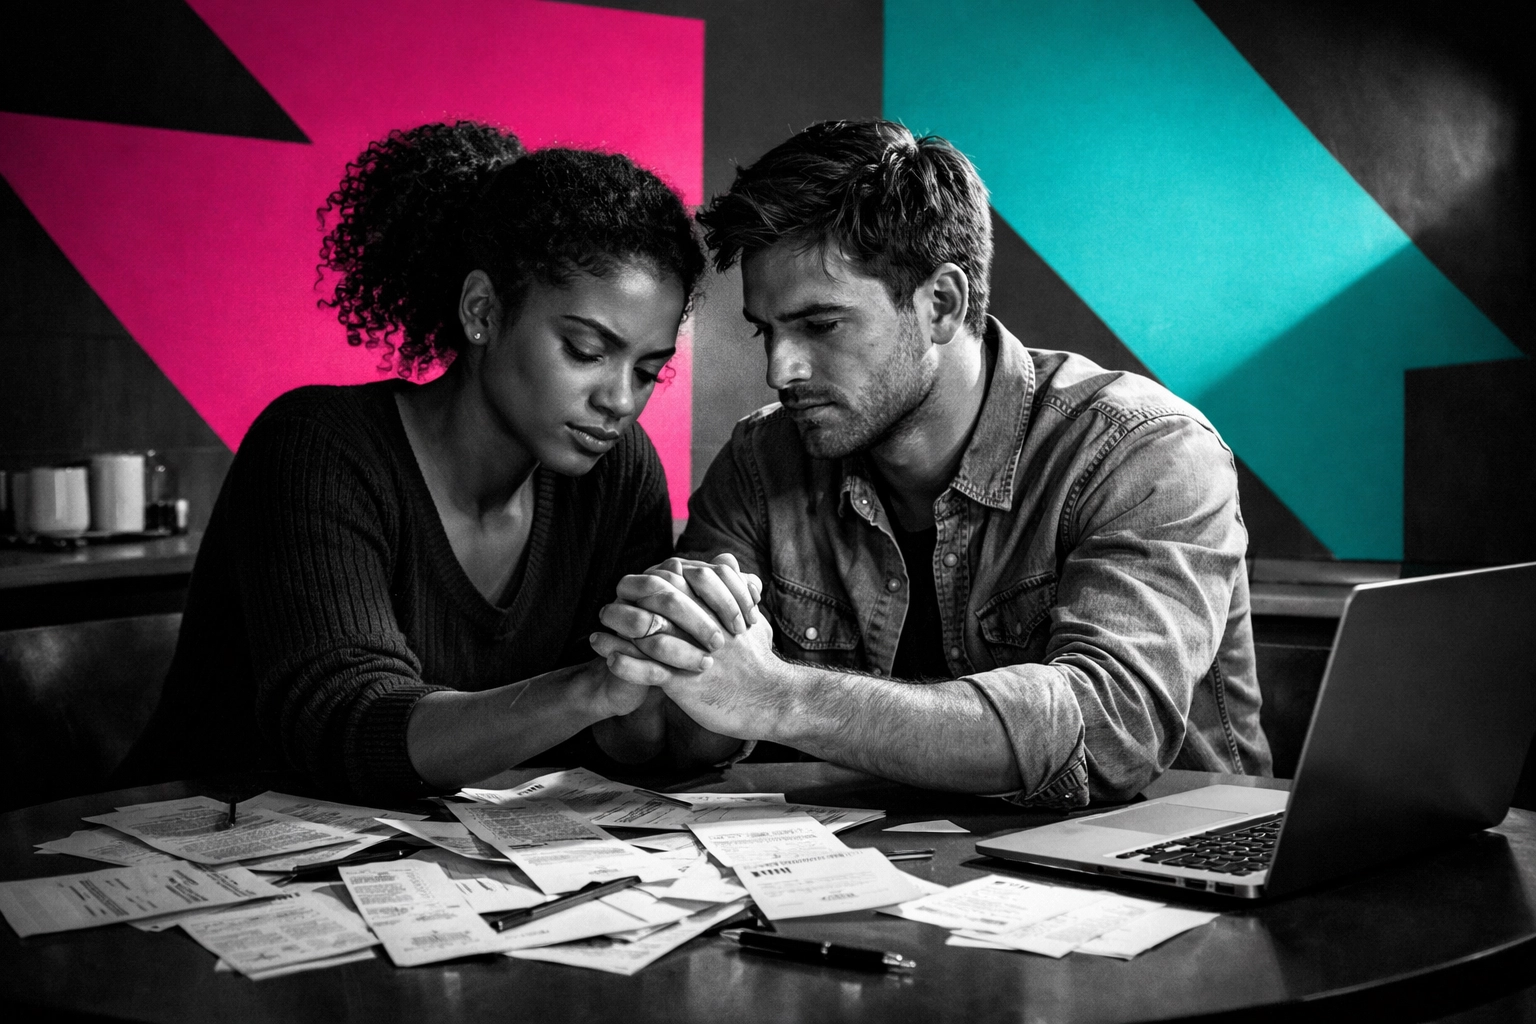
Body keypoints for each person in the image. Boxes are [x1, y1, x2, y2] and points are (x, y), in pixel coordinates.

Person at [591, 119, 1272, 809]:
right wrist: (664, 651)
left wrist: (781, 698)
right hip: (889, 883)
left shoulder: (1142, 449)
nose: (780, 369)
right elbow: (686, 735)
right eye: (767, 331)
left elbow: (1110, 727)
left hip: (1164, 872)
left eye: (820, 325)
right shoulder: (762, 464)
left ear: (941, 303)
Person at [118, 121, 746, 802]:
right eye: (586, 352)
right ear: (482, 311)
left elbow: (622, 741)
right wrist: (592, 688)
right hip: (195, 848)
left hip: (430, 865)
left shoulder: (615, 473)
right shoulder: (318, 447)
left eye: (650, 370)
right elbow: (347, 725)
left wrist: (685, 650)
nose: (620, 400)